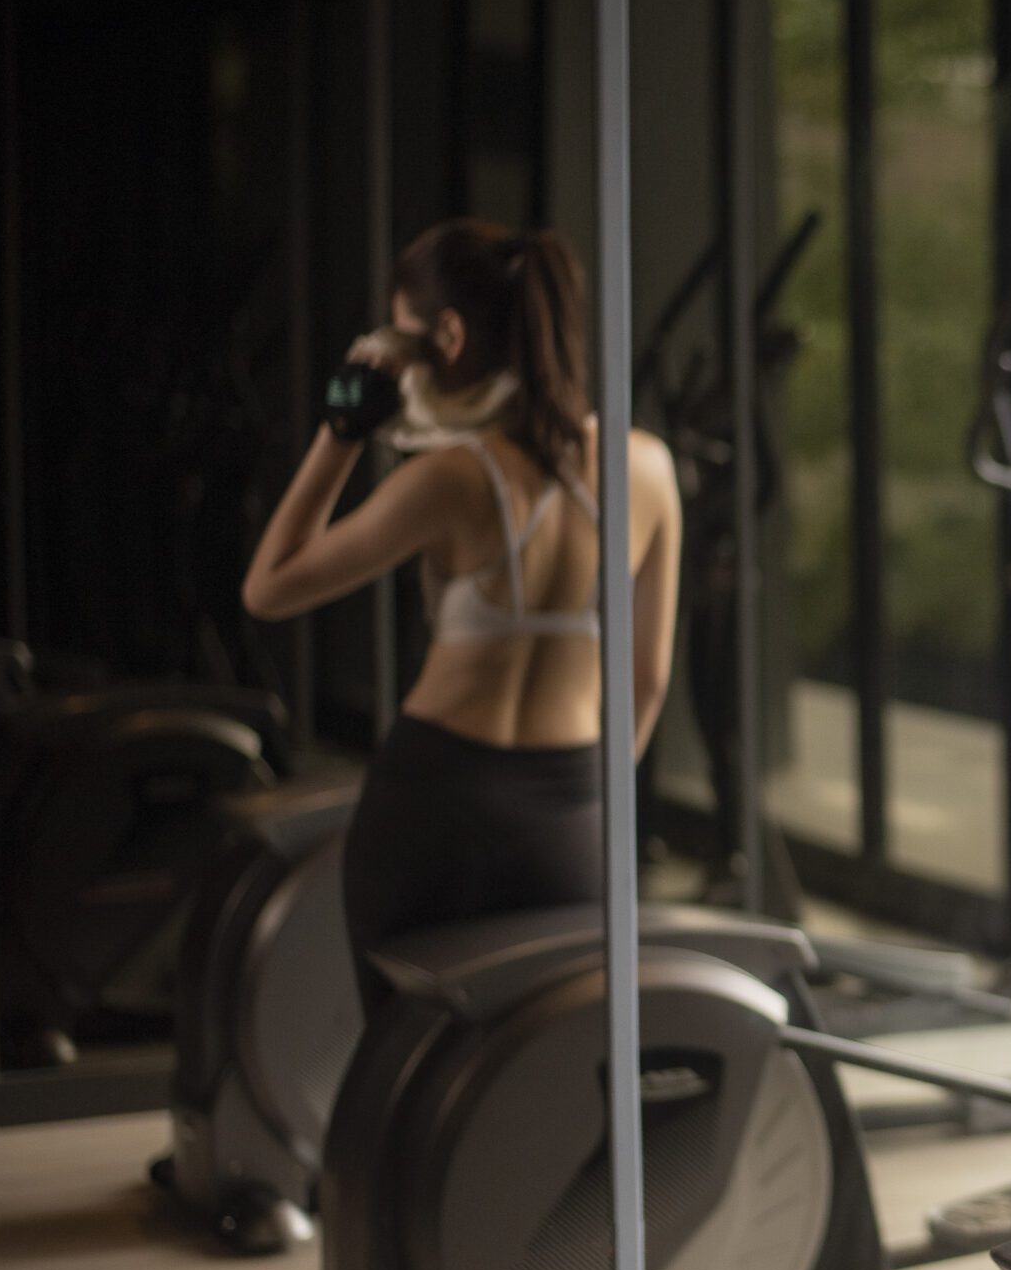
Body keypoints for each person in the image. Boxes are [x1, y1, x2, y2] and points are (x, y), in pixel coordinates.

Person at [241, 219, 682, 1012]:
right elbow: (647, 678)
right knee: (543, 1062)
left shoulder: (451, 480)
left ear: (447, 333)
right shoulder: (645, 467)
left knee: (408, 1068)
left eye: (398, 339)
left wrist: (343, 429)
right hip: (571, 804)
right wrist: (584, 800)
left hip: (435, 802)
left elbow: (268, 587)